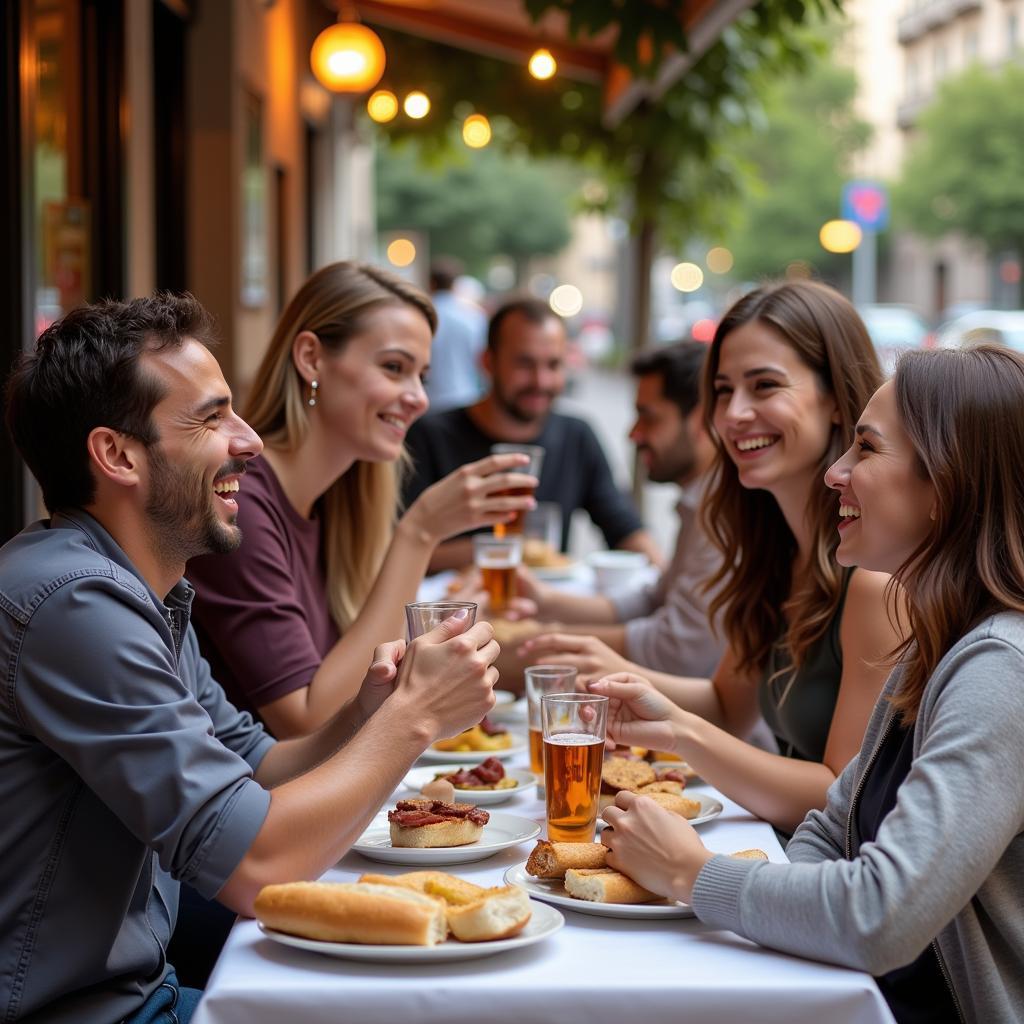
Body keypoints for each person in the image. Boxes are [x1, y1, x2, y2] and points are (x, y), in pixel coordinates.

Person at [0, 295, 499, 1024]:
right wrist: (417, 718)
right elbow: (257, 866)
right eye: (209, 418)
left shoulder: (144, 590)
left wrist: (376, 706)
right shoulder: (76, 606)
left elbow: (260, 766)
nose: (249, 441)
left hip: (144, 990)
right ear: (116, 455)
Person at [596, 345, 1024, 1023]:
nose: (836, 474)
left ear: (944, 484)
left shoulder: (1001, 666)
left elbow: (879, 916)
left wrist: (691, 873)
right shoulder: (939, 642)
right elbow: (832, 830)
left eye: (866, 449)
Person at [526, 281, 899, 834]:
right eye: (723, 391)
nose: (734, 414)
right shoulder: (774, 549)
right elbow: (728, 704)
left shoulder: (873, 576)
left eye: (765, 385)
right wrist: (615, 677)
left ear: (837, 397)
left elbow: (840, 792)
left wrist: (677, 731)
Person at [187, 262, 535, 738]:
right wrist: (421, 532)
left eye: (422, 376)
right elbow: (307, 723)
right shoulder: (239, 501)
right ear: (311, 357)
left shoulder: (340, 500)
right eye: (394, 368)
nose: (418, 398)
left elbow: (366, 659)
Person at [505, 340, 724, 678]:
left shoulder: (724, 513)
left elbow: (675, 648)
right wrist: (546, 601)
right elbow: (654, 600)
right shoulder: (700, 500)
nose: (633, 434)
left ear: (700, 419)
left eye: (647, 417)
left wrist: (532, 645)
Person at [403, 296, 661, 571]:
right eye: (524, 364)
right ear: (487, 362)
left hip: (543, 609)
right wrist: (515, 548)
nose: (541, 381)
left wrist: (669, 580)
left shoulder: (576, 435)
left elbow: (625, 529)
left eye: (553, 365)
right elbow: (396, 549)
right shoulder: (428, 436)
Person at [424, 257, 487, 412]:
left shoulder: (421, 316)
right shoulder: (473, 317)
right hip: (465, 397)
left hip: (429, 400)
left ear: (431, 283)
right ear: (455, 284)